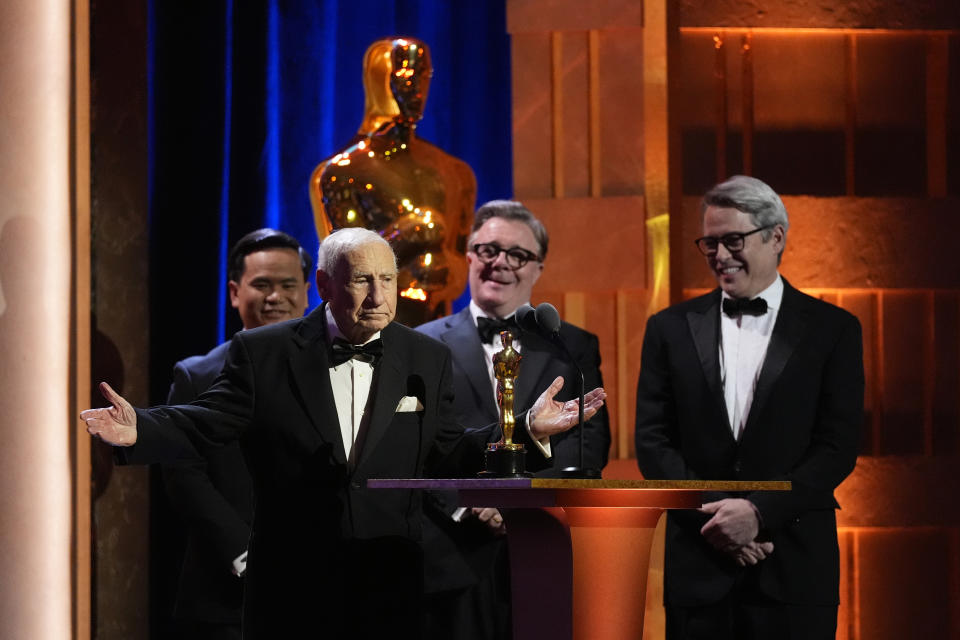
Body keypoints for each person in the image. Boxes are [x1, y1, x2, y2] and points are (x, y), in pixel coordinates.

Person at [82, 227, 605, 639]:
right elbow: (209, 421)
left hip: (389, 581)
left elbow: (449, 449)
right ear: (326, 285)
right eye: (360, 280)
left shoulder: (425, 356)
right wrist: (139, 430)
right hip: (291, 584)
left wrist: (523, 432)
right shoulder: (266, 353)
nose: (378, 295)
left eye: (388, 279)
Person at [634, 175, 863, 639]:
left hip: (794, 566)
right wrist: (719, 520)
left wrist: (758, 514)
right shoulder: (668, 329)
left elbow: (836, 447)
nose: (719, 256)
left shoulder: (834, 328)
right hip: (699, 568)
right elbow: (653, 443)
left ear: (775, 236)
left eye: (733, 240)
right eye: (710, 243)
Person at [417, 200, 611, 639]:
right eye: (488, 250)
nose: (500, 263)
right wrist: (468, 505)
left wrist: (523, 506)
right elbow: (413, 446)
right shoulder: (420, 345)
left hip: (541, 547)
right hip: (451, 554)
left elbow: (589, 443)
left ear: (538, 268)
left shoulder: (572, 347)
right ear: (468, 255)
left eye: (518, 255)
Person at [162, 228, 311, 640]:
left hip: (323, 589)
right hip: (226, 595)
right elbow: (182, 474)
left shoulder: (337, 369)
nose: (275, 297)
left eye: (287, 285)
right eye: (261, 285)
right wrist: (245, 553)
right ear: (234, 292)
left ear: (307, 290)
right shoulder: (196, 375)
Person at [309, 37, 477, 325]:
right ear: (380, 78)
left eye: (424, 76)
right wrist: (409, 232)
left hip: (438, 331)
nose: (418, 88)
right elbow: (347, 266)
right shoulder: (342, 171)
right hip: (367, 332)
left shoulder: (454, 172)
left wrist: (444, 271)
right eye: (406, 75)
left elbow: (463, 266)